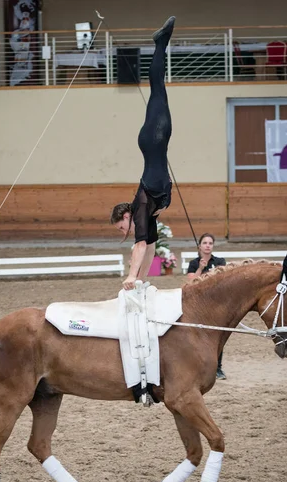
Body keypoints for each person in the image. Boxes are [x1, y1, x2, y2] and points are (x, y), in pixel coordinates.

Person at [110, 16, 176, 291]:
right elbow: (148, 246)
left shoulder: (139, 207)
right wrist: (143, 279)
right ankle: (161, 43)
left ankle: (161, 43)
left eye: (120, 227)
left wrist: (131, 277)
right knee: (158, 92)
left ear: (125, 217)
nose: (122, 232)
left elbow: (137, 245)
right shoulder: (145, 213)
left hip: (154, 139)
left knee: (158, 89)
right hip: (156, 140)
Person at [187, 233, 227, 380]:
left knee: (217, 335)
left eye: (210, 243)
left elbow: (223, 280)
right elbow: (191, 283)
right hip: (199, 305)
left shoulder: (220, 261)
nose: (208, 245)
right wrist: (200, 269)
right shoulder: (193, 263)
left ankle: (218, 368)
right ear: (200, 246)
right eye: (205, 243)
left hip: (216, 304)